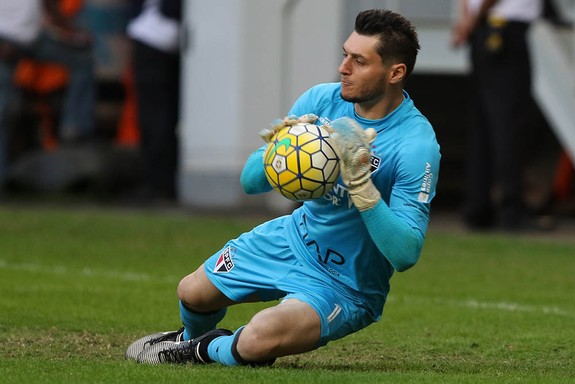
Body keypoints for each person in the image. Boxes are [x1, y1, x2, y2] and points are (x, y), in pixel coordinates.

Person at [125, 9, 441, 367]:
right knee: (192, 292)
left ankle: (197, 351)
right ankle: (191, 336)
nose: (343, 68)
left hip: (345, 284)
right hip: (291, 239)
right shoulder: (322, 101)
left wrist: (361, 186)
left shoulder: (415, 144)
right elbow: (250, 182)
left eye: (359, 60)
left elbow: (405, 253)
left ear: (395, 72)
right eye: (345, 54)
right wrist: (280, 148)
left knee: (259, 338)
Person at [451, 0, 544, 231]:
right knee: (509, 124)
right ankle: (511, 209)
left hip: (484, 30)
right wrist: (471, 21)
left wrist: (468, 21)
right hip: (504, 29)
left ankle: (477, 208)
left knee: (482, 123)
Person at [0, 0, 96, 190]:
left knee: (82, 59)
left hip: (30, 37)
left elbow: (50, 5)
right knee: (3, 111)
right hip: (4, 40)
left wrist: (72, 31)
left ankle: (74, 125)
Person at [126, 0, 182, 202]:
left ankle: (157, 184)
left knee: (155, 118)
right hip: (158, 35)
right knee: (160, 117)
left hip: (154, 37)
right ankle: (158, 183)